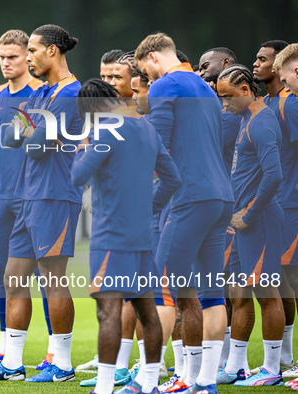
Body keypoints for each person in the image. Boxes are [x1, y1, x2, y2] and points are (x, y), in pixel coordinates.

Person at [0, 23, 82, 383]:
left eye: (31, 51)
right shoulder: (43, 94)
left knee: (53, 279)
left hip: (55, 196)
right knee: (13, 277)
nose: (28, 57)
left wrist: (28, 131)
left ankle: (62, 363)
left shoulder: (70, 93)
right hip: (27, 196)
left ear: (52, 51)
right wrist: (28, 130)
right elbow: (14, 135)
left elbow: (35, 145)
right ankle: (13, 363)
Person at [135, 33, 234, 394]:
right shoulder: (206, 88)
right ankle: (207, 381)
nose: (147, 81)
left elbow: (155, 148)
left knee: (159, 289)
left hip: (189, 196)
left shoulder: (166, 84)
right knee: (211, 294)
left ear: (151, 57)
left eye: (144, 72)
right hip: (221, 196)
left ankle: (145, 382)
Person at [72, 78, 181, 394]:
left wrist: (83, 149)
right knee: (147, 312)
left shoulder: (105, 131)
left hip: (111, 237)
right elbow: (172, 179)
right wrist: (148, 208)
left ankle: (104, 387)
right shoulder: (147, 128)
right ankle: (149, 385)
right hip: (143, 237)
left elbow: (78, 176)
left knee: (108, 310)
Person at [0, 29, 55, 371]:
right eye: (2, 57)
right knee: (6, 277)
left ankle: (53, 352)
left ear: (28, 56)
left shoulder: (42, 95)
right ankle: (6, 352)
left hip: (36, 199)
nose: (7, 63)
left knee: (49, 278)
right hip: (3, 200)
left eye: (14, 56)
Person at [216, 64, 284, 387]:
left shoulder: (262, 123)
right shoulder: (245, 119)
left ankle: (272, 369)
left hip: (262, 221)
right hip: (241, 224)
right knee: (238, 292)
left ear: (245, 90)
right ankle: (236, 367)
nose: (224, 104)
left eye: (227, 97)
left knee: (267, 292)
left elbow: (274, 176)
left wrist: (249, 214)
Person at [253, 39, 298, 378]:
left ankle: (284, 357)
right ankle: (283, 357)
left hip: (290, 202)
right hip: (275, 204)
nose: (257, 63)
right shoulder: (264, 103)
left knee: (285, 279)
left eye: (263, 59)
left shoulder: (289, 104)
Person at [197, 46, 243, 376]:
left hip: (227, 208)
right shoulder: (219, 108)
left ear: (225, 64)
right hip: (221, 205)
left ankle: (233, 362)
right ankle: (226, 360)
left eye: (205, 66)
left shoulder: (230, 113)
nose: (201, 72)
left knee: (229, 288)